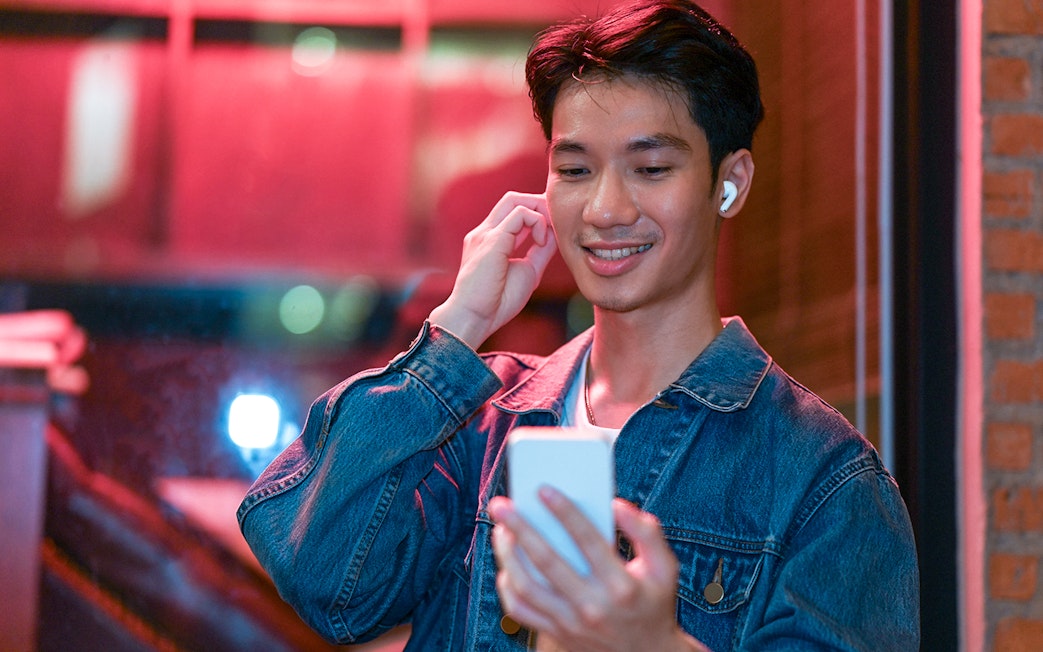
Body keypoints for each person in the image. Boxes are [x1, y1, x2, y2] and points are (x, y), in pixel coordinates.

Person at [237, 1, 920, 649]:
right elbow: (326, 583)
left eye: (650, 167)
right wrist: (459, 325)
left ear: (728, 182)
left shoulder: (822, 479)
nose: (604, 208)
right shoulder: (479, 424)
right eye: (574, 169)